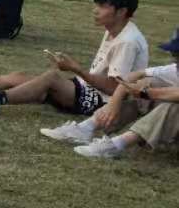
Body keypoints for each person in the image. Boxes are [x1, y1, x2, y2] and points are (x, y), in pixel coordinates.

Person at [0, 0, 147, 120]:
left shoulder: (127, 41)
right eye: (97, 5)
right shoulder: (114, 29)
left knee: (51, 78)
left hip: (104, 102)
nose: (95, 11)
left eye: (103, 7)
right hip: (89, 89)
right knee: (19, 76)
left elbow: (115, 87)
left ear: (122, 12)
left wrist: (76, 69)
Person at [75, 27, 179, 160]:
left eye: (177, 54)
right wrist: (114, 103)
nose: (175, 59)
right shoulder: (175, 69)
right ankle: (88, 127)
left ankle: (117, 145)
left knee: (173, 107)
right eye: (174, 53)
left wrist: (146, 93)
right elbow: (135, 75)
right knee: (149, 82)